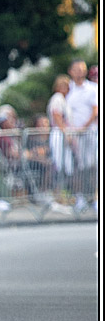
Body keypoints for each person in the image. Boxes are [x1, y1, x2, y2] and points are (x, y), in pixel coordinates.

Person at [64, 59, 98, 212]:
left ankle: (95, 197)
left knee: (93, 166)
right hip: (73, 135)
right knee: (78, 167)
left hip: (89, 133)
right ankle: (80, 197)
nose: (80, 72)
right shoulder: (68, 89)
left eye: (82, 69)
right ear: (70, 71)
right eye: (77, 69)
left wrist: (83, 127)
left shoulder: (93, 89)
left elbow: (95, 110)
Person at [47, 74, 75, 200]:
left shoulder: (64, 99)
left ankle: (63, 194)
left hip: (63, 133)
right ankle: (58, 195)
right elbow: (57, 116)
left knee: (67, 165)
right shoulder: (57, 98)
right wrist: (65, 133)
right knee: (59, 164)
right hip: (59, 134)